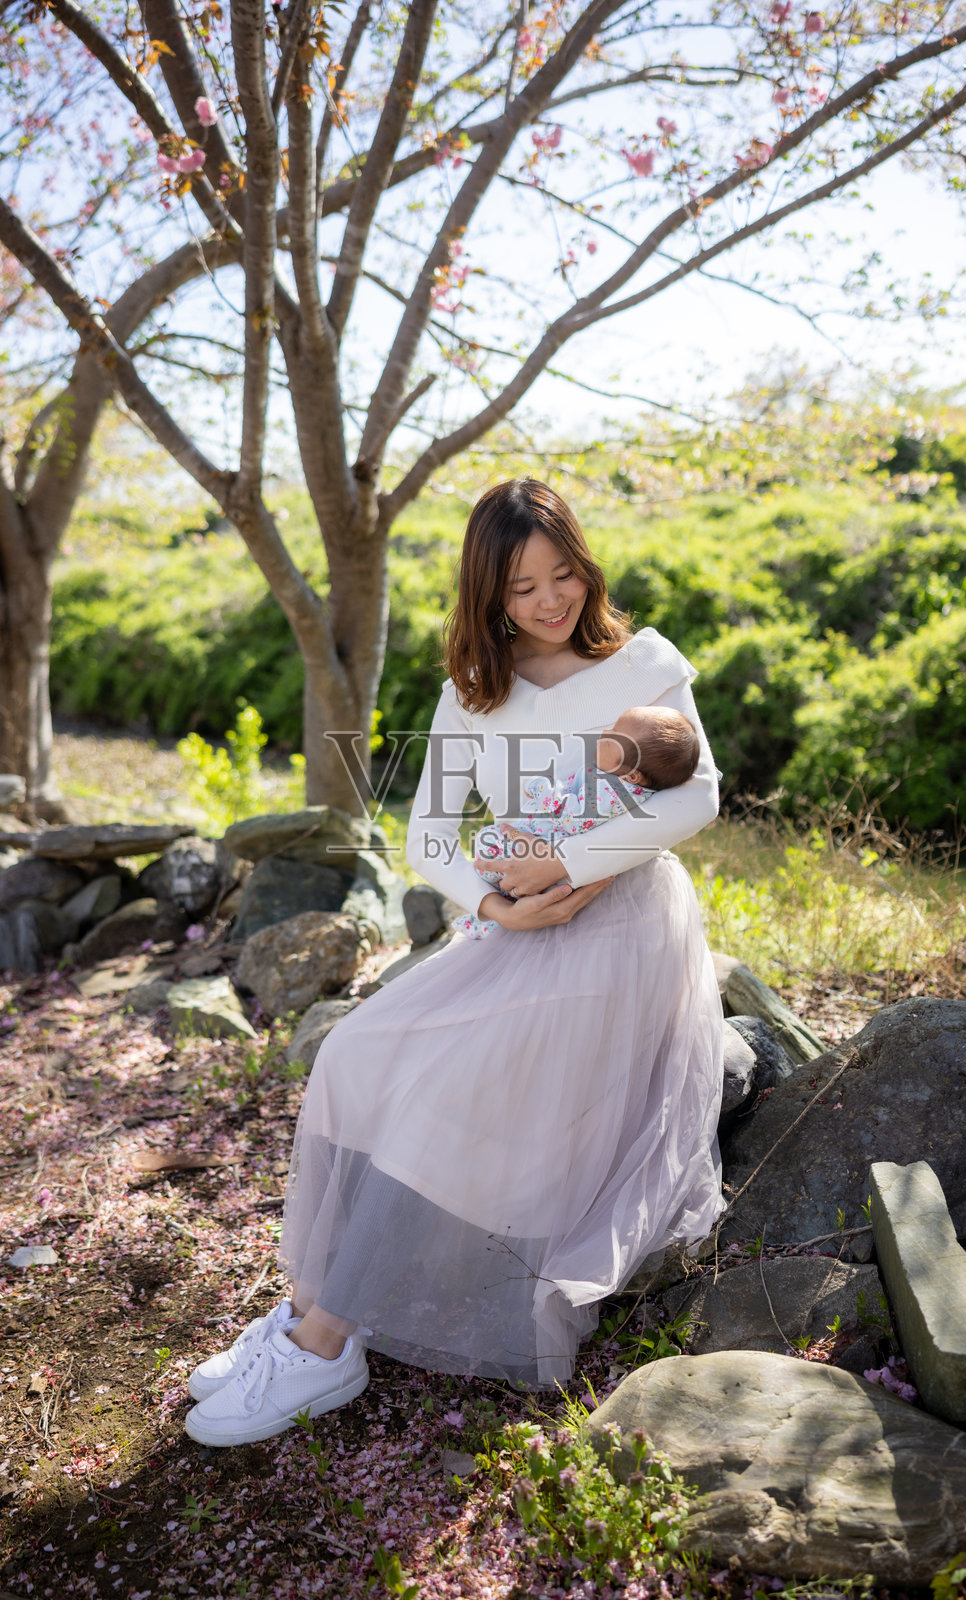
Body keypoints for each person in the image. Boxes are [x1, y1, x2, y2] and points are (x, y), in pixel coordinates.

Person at [183, 479, 725, 1448]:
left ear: (584, 568)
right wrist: (496, 908)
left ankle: (322, 1344)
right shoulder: (472, 696)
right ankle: (315, 1303)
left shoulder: (642, 662)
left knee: (444, 1091)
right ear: (487, 594)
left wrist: (561, 866)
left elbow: (694, 800)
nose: (549, 601)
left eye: (562, 575)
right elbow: (429, 838)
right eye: (521, 588)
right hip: (511, 924)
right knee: (354, 1057)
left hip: (623, 924)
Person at [452, 703, 701, 939]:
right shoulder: (620, 785)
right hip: (550, 851)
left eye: (614, 735)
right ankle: (495, 909)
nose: (605, 732)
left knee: (491, 847)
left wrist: (544, 790)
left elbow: (573, 819)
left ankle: (492, 905)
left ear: (632, 774)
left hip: (551, 851)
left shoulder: (612, 791)